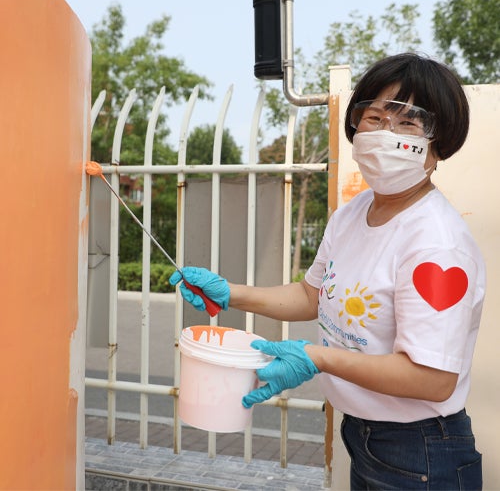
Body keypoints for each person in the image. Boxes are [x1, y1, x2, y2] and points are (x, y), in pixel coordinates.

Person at [169, 53, 485, 490]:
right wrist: (229, 293)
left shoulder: (437, 243)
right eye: (374, 117)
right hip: (365, 435)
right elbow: (310, 295)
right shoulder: (353, 213)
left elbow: (432, 378)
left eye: (408, 124)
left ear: (440, 143)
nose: (384, 134)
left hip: (421, 449)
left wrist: (316, 358)